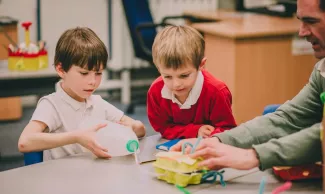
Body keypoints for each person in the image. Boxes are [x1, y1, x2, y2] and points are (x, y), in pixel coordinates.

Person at [171, 0, 325, 171]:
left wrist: (255, 155)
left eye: (311, 22)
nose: (302, 32)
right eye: (301, 21)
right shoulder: (322, 71)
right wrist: (215, 142)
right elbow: (289, 119)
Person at [18, 27, 146, 160]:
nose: (92, 81)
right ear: (61, 69)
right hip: (62, 177)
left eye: (98, 73)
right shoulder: (51, 105)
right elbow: (24, 142)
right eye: (84, 73)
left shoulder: (97, 103)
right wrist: (76, 137)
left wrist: (137, 127)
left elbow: (138, 129)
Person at [147, 25, 236, 139]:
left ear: (201, 65)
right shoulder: (155, 91)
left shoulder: (217, 91)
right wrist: (195, 131)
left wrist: (211, 136)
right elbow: (163, 128)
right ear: (158, 69)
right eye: (168, 76)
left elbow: (227, 129)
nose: (176, 84)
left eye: (184, 75)